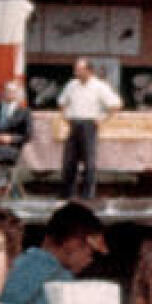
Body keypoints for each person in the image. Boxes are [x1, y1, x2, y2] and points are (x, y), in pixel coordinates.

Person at [0, 200, 109, 304]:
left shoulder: (15, 264)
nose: (90, 260)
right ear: (72, 243)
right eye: (91, 253)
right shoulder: (61, 282)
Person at [57, 57, 122, 200]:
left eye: (80, 70)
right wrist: (65, 116)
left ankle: (88, 195)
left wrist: (103, 118)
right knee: (69, 160)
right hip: (74, 123)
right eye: (76, 69)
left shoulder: (99, 86)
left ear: (89, 71)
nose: (77, 72)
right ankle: (67, 194)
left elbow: (116, 104)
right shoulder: (71, 85)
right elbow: (61, 102)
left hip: (89, 124)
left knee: (89, 162)